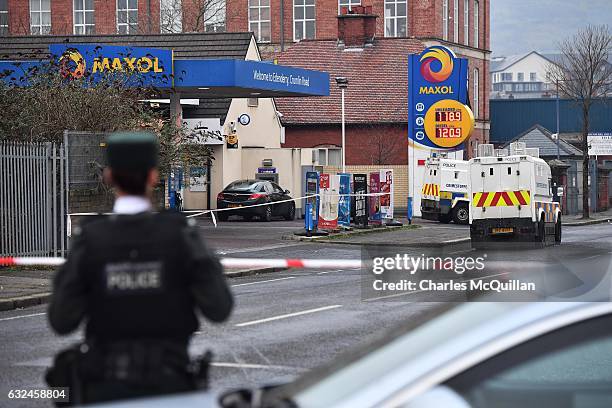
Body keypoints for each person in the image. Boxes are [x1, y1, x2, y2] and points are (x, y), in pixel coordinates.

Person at [47, 131, 233, 404]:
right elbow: (219, 308)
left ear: (109, 177)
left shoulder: (90, 239)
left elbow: (61, 320)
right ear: (153, 177)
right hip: (170, 387)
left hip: (104, 388)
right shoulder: (180, 236)